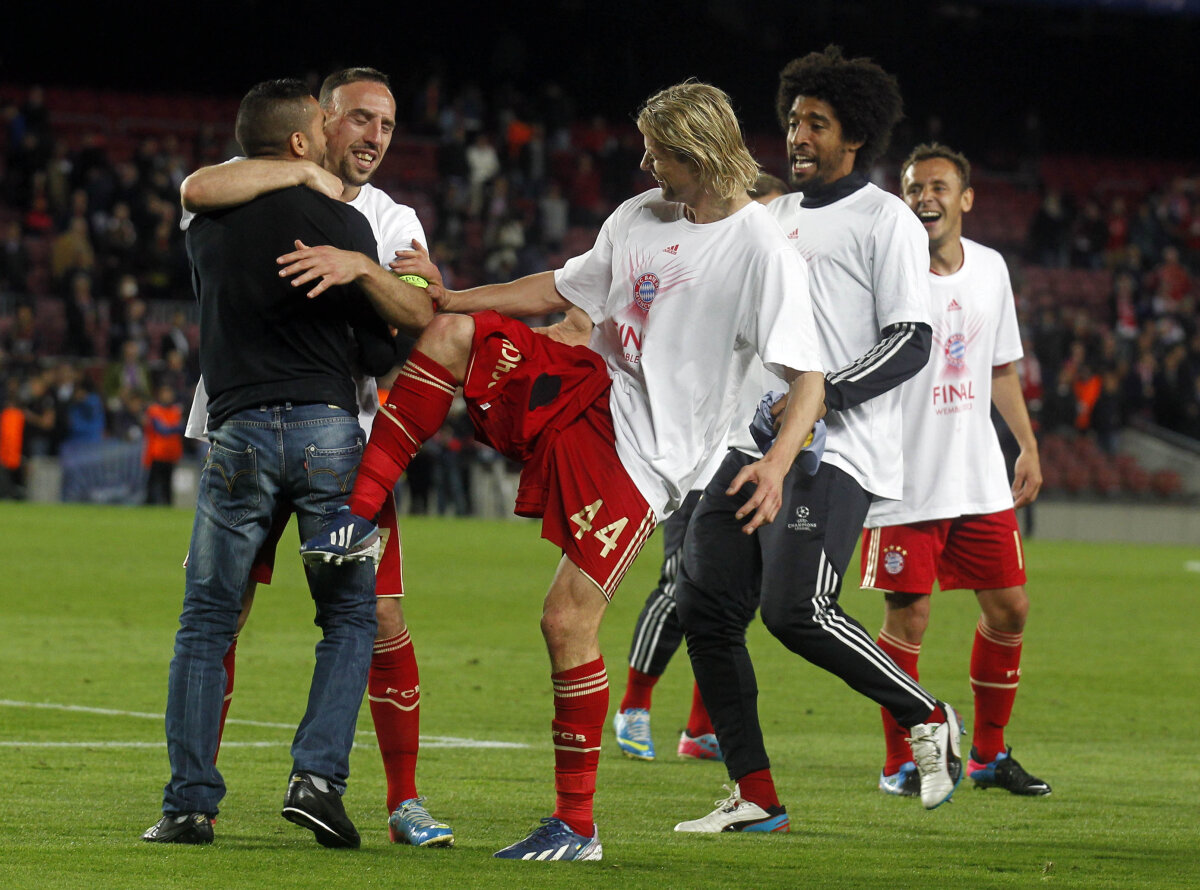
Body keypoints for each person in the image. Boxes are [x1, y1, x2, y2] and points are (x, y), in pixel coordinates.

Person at [299, 80, 826, 861]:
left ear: (698, 152)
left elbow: (807, 377)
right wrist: (455, 296)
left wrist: (779, 463)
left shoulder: (760, 251)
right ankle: (358, 510)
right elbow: (558, 288)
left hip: (648, 462)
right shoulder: (641, 215)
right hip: (589, 395)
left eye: (658, 149)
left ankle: (577, 827)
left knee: (566, 621)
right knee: (448, 333)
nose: (644, 160)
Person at [673, 46, 962, 833]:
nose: (798, 136)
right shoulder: (765, 219)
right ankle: (755, 795)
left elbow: (911, 339)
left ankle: (926, 713)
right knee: (702, 602)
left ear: (854, 137)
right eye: (794, 120)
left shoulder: (886, 221)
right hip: (748, 442)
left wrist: (821, 397)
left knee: (796, 610)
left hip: (838, 449)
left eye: (817, 124)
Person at [177, 67, 453, 847]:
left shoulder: (388, 214)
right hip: (296, 428)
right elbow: (196, 185)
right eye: (360, 119)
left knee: (379, 615)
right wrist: (301, 176)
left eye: (389, 126)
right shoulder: (252, 179)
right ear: (320, 123)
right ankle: (232, 794)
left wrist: (365, 268)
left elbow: (421, 309)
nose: (373, 137)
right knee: (238, 616)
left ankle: (403, 802)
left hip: (345, 432)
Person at [141, 78, 392, 848]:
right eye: (322, 124)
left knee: (207, 620)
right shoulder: (342, 219)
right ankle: (317, 780)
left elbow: (201, 185)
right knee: (348, 616)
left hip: (237, 430)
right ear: (298, 142)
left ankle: (188, 803)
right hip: (327, 432)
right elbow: (381, 353)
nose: (330, 134)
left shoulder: (206, 214)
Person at [861, 142, 1051, 798]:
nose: (925, 198)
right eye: (915, 188)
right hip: (903, 478)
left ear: (965, 199)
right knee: (907, 621)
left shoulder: (992, 269)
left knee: (1010, 608)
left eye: (939, 187)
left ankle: (989, 757)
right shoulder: (887, 272)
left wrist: (1025, 444)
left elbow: (999, 367)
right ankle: (900, 762)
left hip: (977, 474)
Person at [612, 172, 791, 764]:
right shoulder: (702, 275)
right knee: (678, 583)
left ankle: (698, 728)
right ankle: (635, 706)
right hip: (699, 456)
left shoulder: (780, 283)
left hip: (752, 460)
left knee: (727, 598)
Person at [142, 382, 184, 506]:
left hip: (171, 453)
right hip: (157, 453)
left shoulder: (176, 410)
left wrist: (170, 427)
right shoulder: (154, 410)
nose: (167, 396)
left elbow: (182, 428)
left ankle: (167, 506)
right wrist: (174, 427)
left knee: (167, 483)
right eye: (165, 393)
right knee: (153, 482)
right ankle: (149, 504)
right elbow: (162, 429)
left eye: (169, 393)